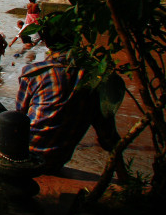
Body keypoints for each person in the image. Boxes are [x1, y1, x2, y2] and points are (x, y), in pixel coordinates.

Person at [15, 34, 126, 178]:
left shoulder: (35, 72)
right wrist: (124, 176)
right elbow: (108, 135)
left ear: (46, 42)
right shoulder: (95, 77)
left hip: (26, 157)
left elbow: (18, 118)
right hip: (56, 161)